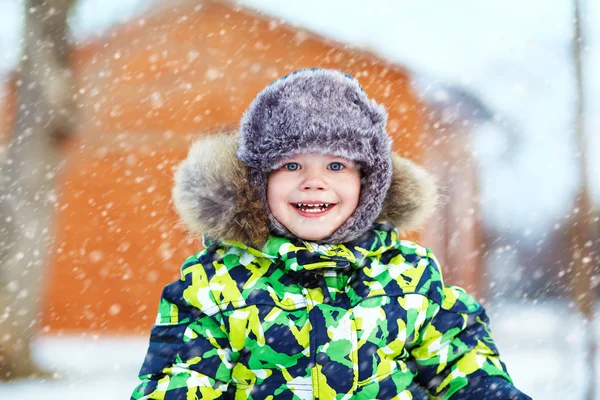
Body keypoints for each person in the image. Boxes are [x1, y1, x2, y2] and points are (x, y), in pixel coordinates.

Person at [131, 68, 530, 399]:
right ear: (258, 181)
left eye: (336, 166)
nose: (314, 182)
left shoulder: (409, 277)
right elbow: (180, 382)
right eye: (291, 166)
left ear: (368, 182)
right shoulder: (215, 286)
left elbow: (465, 368)